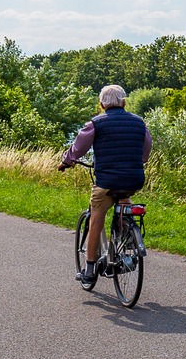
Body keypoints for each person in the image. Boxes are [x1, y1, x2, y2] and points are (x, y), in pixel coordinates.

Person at [58, 85, 152, 289]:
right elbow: (146, 149)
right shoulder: (139, 123)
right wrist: (139, 160)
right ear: (124, 102)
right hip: (134, 180)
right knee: (125, 201)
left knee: (96, 220)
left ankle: (90, 270)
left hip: (107, 182)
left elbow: (78, 148)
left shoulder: (95, 124)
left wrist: (67, 161)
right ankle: (127, 237)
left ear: (102, 105)